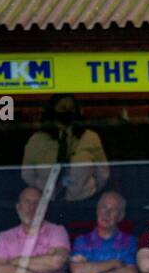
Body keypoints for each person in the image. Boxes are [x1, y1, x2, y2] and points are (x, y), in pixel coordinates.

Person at [21, 93, 111, 223]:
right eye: (62, 108)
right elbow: (27, 173)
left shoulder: (90, 137)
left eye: (71, 108)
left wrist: (89, 191)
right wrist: (44, 191)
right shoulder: (37, 140)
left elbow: (102, 173)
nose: (67, 111)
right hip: (48, 204)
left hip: (84, 203)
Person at [0, 187, 71, 273]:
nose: (32, 208)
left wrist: (17, 261)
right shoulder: (5, 237)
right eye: (27, 202)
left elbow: (56, 262)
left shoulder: (57, 231)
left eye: (36, 203)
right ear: (18, 207)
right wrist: (44, 268)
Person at [69, 190, 138, 273]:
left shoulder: (129, 241)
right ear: (97, 210)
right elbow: (77, 272)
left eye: (113, 209)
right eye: (104, 207)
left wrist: (89, 270)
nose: (107, 213)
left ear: (120, 216)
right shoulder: (82, 240)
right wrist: (114, 263)